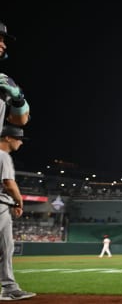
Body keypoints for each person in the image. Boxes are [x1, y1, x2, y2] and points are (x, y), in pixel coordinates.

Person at [0, 125, 36, 300]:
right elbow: (8, 183)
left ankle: (9, 288)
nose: (21, 142)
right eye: (18, 138)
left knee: (7, 248)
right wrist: (19, 201)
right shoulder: (2, 155)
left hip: (4, 206)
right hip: (0, 206)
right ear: (7, 138)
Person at [0, 21, 31, 133]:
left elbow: (21, 120)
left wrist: (18, 99)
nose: (4, 45)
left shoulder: (3, 82)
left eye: (3, 41)